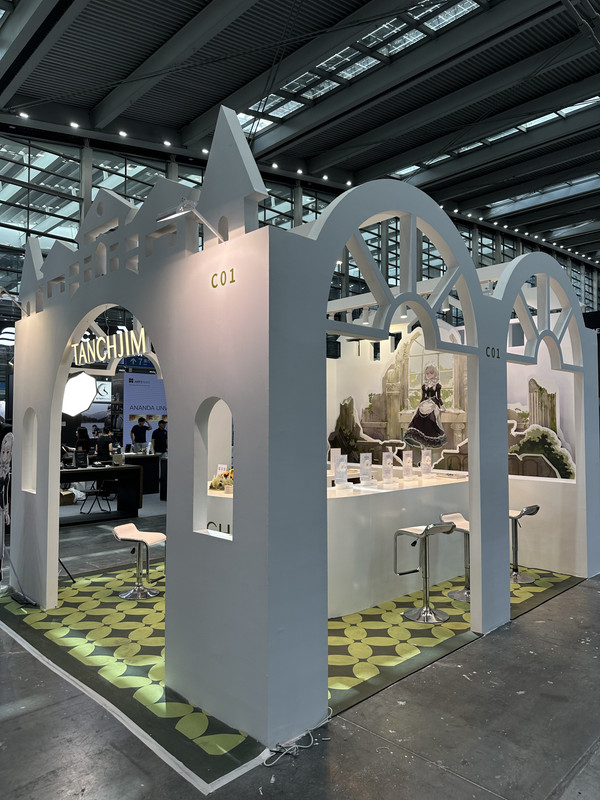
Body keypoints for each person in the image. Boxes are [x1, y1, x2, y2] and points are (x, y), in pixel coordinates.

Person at [403, 363, 448, 449]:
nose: (429, 375)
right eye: (427, 373)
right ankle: (420, 438)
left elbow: (439, 398)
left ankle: (429, 437)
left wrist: (443, 408)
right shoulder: (424, 386)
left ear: (435, 373)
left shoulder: (437, 385)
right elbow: (423, 397)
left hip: (434, 403)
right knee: (418, 414)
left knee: (431, 417)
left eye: (431, 373)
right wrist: (419, 406)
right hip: (425, 402)